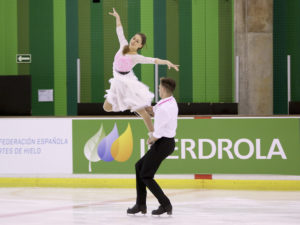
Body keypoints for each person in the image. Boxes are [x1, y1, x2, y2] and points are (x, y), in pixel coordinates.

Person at [104, 8, 179, 134]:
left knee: (142, 112)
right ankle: (134, 105)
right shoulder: (123, 45)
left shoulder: (136, 58)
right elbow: (119, 30)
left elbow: (153, 60)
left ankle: (153, 134)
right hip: (117, 81)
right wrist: (117, 17)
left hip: (127, 82)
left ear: (140, 46)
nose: (134, 41)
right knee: (106, 108)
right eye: (134, 38)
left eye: (137, 41)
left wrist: (166, 62)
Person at [127, 77, 178, 216]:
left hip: (163, 143)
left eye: (159, 87)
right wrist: (140, 106)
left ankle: (165, 204)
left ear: (164, 89)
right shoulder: (170, 102)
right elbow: (153, 110)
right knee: (139, 166)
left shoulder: (165, 108)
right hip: (167, 143)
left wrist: (151, 140)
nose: (158, 89)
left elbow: (158, 133)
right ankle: (140, 204)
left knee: (146, 175)